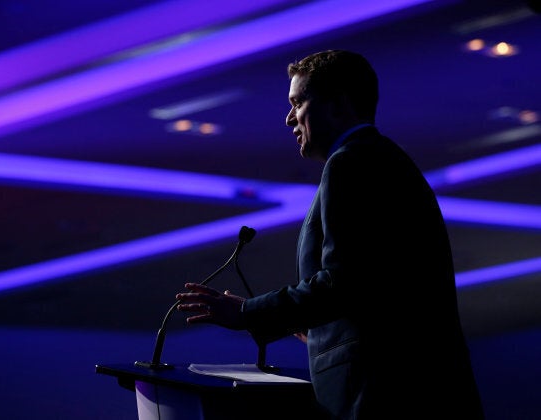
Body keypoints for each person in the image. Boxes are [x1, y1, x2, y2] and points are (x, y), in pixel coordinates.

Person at [176, 50, 485, 419]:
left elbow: (345, 282)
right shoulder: (381, 159)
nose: (289, 117)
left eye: (298, 102)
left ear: (338, 103)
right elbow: (379, 284)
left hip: (383, 395)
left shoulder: (351, 163)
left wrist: (246, 313)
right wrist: (320, 326)